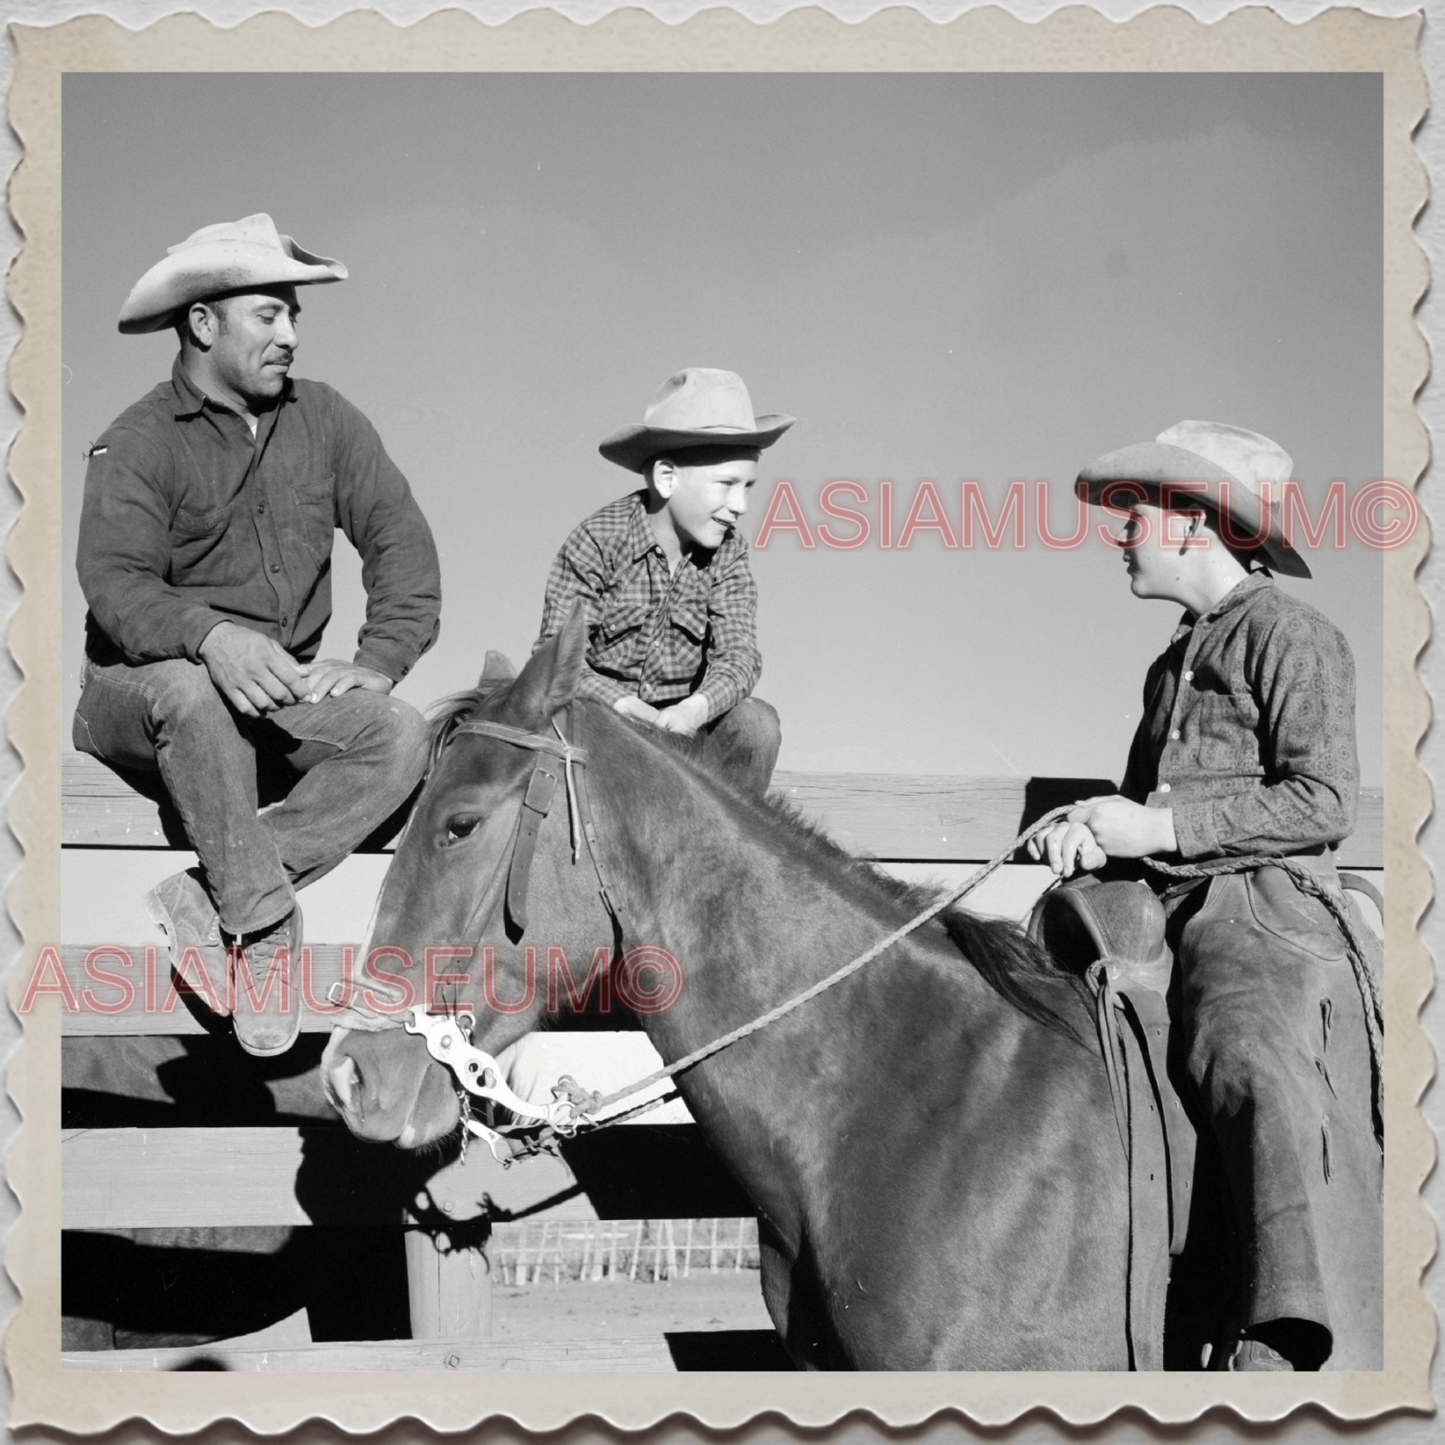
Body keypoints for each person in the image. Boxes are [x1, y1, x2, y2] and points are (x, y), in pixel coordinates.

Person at [1028, 420, 1382, 1371]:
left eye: (1132, 511)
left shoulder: (1293, 635)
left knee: (1242, 1042)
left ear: (1191, 521)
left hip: (1258, 901)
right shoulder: (1165, 667)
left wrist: (1162, 829)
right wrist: (1092, 831)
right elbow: (1143, 808)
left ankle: (1283, 1317)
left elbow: (1323, 797)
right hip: (1159, 902)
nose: (1118, 531)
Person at [74, 214, 442, 1057]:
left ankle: (211, 896)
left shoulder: (329, 421)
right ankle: (268, 929)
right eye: (268, 315)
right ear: (203, 323)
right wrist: (208, 636)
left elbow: (400, 542)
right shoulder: (134, 442)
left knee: (401, 734)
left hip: (275, 695)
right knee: (193, 692)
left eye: (294, 316)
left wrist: (381, 660)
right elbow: (115, 584)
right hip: (138, 689)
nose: (291, 335)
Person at [534, 368, 792, 794]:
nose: (741, 505)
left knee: (756, 725)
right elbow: (558, 657)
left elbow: (740, 656)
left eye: (748, 486)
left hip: (686, 736)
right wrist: (623, 706)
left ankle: (718, 850)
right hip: (602, 728)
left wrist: (694, 709)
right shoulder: (597, 541)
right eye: (726, 484)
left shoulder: (729, 553)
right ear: (667, 478)